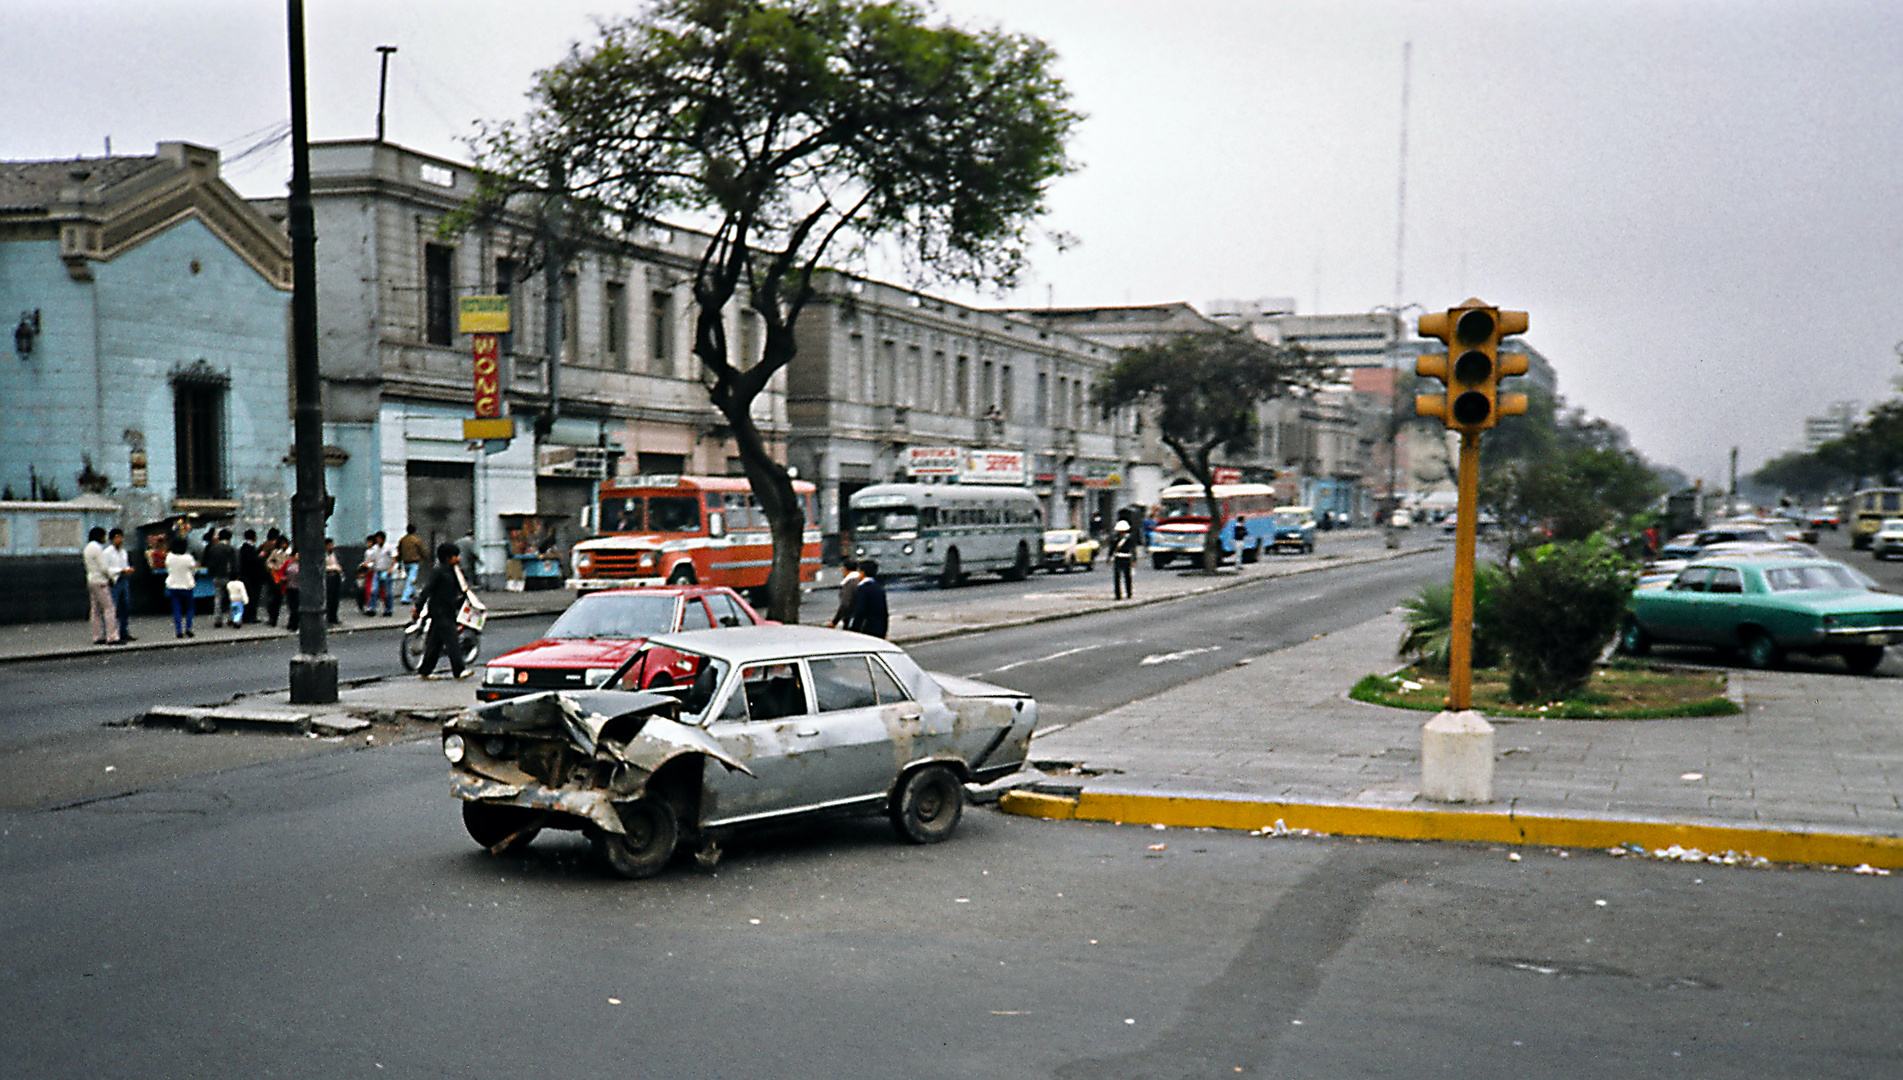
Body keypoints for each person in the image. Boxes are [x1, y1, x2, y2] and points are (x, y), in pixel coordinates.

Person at [412, 541, 472, 679]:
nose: (458, 559)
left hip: (449, 610)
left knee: (434, 643)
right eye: (455, 556)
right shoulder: (438, 572)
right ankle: (459, 670)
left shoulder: (454, 571)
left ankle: (425, 670)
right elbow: (427, 590)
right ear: (447, 557)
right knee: (452, 642)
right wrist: (418, 606)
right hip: (439, 611)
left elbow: (461, 589)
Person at [83, 526, 120, 645]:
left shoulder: (87, 548)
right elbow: (103, 567)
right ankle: (112, 636)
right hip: (100, 581)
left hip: (91, 580)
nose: (105, 538)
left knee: (95, 610)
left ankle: (97, 636)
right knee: (109, 608)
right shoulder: (98, 549)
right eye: (104, 536)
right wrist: (111, 577)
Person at [163, 535, 198, 638]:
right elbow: (194, 569)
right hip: (187, 585)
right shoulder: (188, 558)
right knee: (189, 608)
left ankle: (179, 630)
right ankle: (188, 628)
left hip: (173, 585)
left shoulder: (169, 557)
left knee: (176, 609)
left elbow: (167, 567)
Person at [104, 528, 135, 642]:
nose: (119, 540)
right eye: (117, 538)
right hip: (114, 580)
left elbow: (125, 564)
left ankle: (124, 631)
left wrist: (128, 570)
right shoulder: (107, 552)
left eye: (121, 537)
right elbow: (106, 568)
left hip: (124, 579)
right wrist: (120, 570)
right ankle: (111, 633)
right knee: (112, 607)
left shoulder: (123, 552)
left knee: (125, 606)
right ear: (111, 539)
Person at [202, 528, 237, 627]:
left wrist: (211, 573)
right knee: (231, 598)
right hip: (228, 576)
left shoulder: (213, 549)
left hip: (217, 576)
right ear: (229, 538)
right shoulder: (231, 549)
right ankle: (231, 618)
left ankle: (218, 619)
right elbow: (235, 563)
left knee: (218, 598)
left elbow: (209, 563)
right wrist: (236, 575)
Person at [847, 559, 888, 639]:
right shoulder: (879, 588)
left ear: (862, 573)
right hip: (879, 629)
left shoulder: (863, 589)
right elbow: (884, 612)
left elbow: (860, 611)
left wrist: (854, 629)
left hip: (866, 630)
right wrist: (884, 631)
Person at [237, 529, 265, 625]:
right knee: (252, 597)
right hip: (251, 577)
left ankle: (250, 616)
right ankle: (250, 616)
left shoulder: (247, 548)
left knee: (251, 597)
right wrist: (260, 556)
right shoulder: (247, 548)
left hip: (251, 576)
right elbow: (251, 560)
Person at [368, 530, 398, 615]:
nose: (378, 540)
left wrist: (391, 569)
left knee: (388, 592)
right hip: (377, 571)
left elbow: (394, 558)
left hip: (386, 571)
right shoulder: (375, 548)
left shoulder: (388, 547)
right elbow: (372, 559)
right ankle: (372, 608)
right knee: (374, 590)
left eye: (380, 539)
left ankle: (388, 609)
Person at [396, 524, 427, 604]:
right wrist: (426, 558)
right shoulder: (416, 540)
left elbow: (399, 551)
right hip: (414, 562)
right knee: (411, 580)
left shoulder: (403, 540)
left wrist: (399, 562)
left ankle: (413, 594)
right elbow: (422, 550)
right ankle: (405, 597)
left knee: (410, 579)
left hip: (405, 562)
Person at [828, 559, 862, 628]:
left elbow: (845, 605)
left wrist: (835, 621)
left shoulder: (850, 583)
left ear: (844, 569)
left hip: (851, 620)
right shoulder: (860, 581)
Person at [1111, 519, 1138, 600]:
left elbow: (1133, 549)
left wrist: (1133, 560)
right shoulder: (1115, 538)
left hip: (1126, 558)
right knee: (1117, 578)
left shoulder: (1129, 538)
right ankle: (1118, 595)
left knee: (1127, 577)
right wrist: (1109, 557)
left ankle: (1129, 593)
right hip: (1118, 558)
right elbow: (1112, 548)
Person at [323, 537, 345, 625]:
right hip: (328, 576)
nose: (331, 546)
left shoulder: (336, 554)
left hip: (336, 577)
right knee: (329, 598)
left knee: (335, 598)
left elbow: (339, 564)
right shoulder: (323, 555)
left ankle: (334, 617)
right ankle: (329, 617)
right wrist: (333, 568)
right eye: (329, 545)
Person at [282, 549, 302, 632]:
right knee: (291, 606)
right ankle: (291, 623)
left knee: (296, 607)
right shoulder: (289, 563)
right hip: (290, 587)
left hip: (297, 587)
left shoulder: (300, 565)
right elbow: (283, 570)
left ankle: (294, 624)